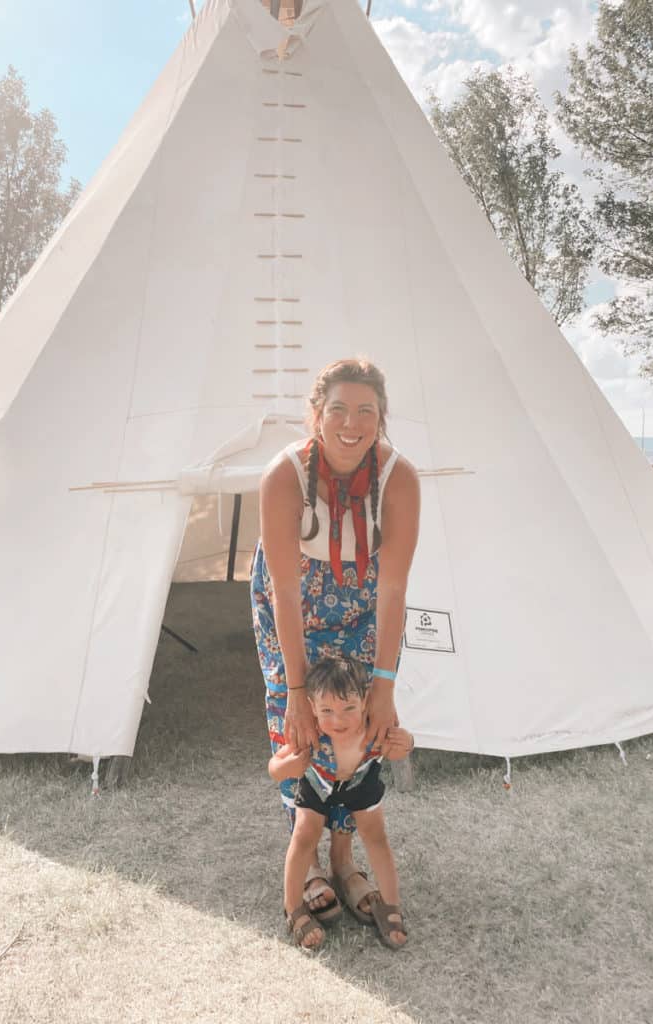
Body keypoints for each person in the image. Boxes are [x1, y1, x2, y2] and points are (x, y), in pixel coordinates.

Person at [250, 358, 420, 925]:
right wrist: (297, 686)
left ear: (381, 418)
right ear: (317, 416)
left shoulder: (400, 479)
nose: (352, 422)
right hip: (293, 604)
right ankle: (308, 848)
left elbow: (393, 587)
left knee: (356, 720)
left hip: (363, 606)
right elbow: (286, 591)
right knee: (301, 723)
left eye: (366, 411)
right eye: (339, 409)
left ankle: (345, 858)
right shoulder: (284, 475)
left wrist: (385, 683)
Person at [269, 656, 413, 950]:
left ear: (365, 701)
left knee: (377, 837)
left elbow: (402, 744)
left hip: (361, 781)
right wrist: (290, 768)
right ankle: (293, 905)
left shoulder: (375, 726)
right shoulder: (311, 732)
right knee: (304, 836)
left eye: (349, 708)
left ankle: (390, 904)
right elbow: (274, 767)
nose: (338, 720)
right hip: (318, 784)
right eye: (327, 710)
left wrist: (406, 743)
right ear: (312, 708)